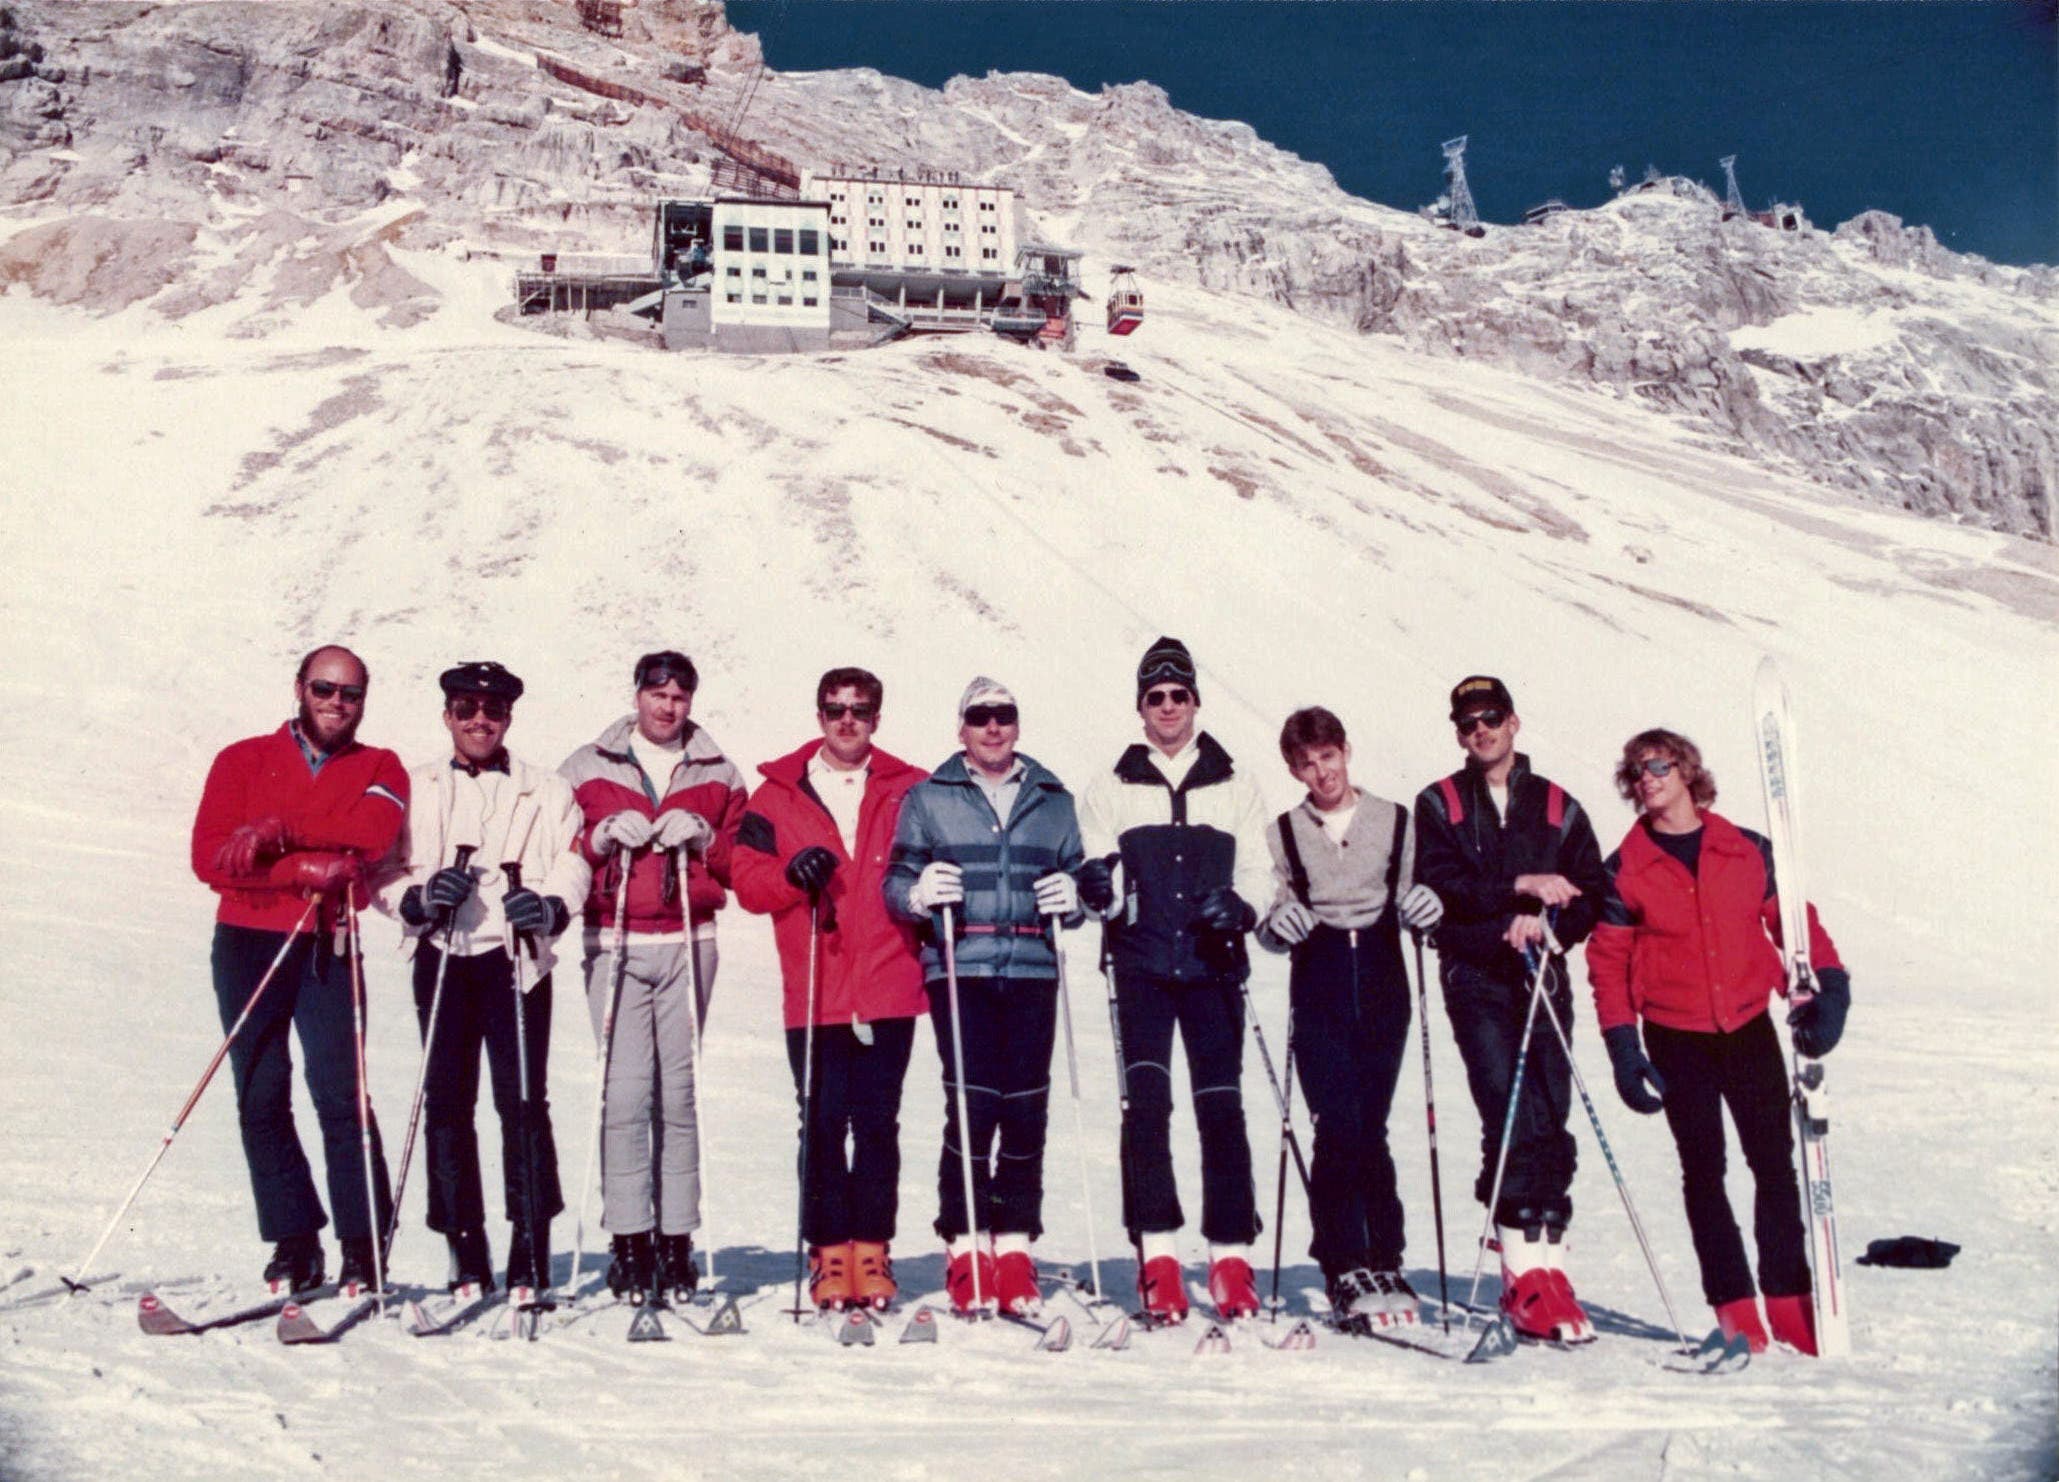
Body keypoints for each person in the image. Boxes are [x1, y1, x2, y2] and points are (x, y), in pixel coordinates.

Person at [1587, 728, 1850, 1356]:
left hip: (1747, 1028)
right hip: (1677, 1039)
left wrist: (1828, 989)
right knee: (1704, 1171)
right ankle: (1734, 1305)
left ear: (1686, 771)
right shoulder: (1625, 868)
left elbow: (1796, 926)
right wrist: (1625, 1048)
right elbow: (1607, 963)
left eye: (1658, 765)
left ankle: (1789, 1300)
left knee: (1774, 1167)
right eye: (1636, 771)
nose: (1646, 778)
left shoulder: (1747, 850)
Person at [189, 645, 408, 1294]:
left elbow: (366, 836)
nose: (337, 704)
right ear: (299, 688)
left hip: (325, 945)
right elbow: (209, 856)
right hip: (246, 940)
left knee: (341, 1095)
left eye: (351, 694)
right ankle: (294, 1242)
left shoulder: (381, 765)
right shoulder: (241, 759)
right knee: (260, 1094)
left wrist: (276, 828)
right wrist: (298, 867)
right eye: (324, 689)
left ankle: (365, 1248)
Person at [375, 662, 588, 1295]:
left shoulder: (547, 789)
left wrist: (549, 906)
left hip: (515, 961)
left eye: (492, 710)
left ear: (509, 718)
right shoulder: (416, 786)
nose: (479, 720)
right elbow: (384, 870)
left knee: (523, 1103)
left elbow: (572, 862)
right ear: (447, 715)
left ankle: (531, 1246)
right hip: (444, 953)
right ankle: (463, 1246)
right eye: (466, 707)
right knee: (446, 1102)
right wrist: (415, 897)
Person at [1078, 637, 1273, 1324]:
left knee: (1221, 1109)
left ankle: (1230, 1259)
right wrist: (1097, 887)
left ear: (1195, 701)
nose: (1167, 707)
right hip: (1141, 969)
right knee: (1148, 1107)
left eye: (1178, 695)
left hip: (1212, 965)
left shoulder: (1235, 782)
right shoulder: (1111, 786)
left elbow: (1257, 870)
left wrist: (1241, 908)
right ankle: (1156, 1254)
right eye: (1154, 696)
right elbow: (1098, 887)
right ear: (1140, 708)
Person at [1411, 675, 1608, 1343]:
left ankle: (1550, 1268)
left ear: (1513, 722)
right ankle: (1520, 1274)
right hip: (1475, 972)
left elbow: (1591, 889)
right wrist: (1519, 889)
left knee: (1550, 1108)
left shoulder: (1557, 803)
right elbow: (1440, 885)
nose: (1480, 731)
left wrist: (1555, 928)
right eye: (1466, 723)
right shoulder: (1438, 802)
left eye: (1490, 718)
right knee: (1506, 1104)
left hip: (1541, 973)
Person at [882, 678, 1086, 1315]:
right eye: (980, 718)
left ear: (1017, 725)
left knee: (1027, 1105)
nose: (993, 728)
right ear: (961, 728)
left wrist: (1074, 899)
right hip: (959, 964)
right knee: (971, 1104)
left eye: (1004, 716)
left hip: (1032, 967)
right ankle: (967, 1242)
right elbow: (896, 877)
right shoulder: (929, 797)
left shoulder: (1054, 800)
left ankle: (1016, 1243)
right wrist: (918, 893)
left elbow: (1080, 875)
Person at [731, 667, 927, 1312]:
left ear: (877, 717)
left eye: (860, 710)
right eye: (835, 709)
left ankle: (869, 1251)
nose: (848, 721)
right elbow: (749, 883)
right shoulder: (776, 795)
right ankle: (827, 1252)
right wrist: (792, 874)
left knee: (877, 1124)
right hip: (815, 984)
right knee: (819, 1121)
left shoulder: (911, 788)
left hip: (888, 983)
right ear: (819, 715)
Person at [559, 651, 747, 1304]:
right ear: (636, 695)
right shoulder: (587, 764)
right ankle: (629, 1240)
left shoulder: (718, 769)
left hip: (688, 938)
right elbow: (560, 849)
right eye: (657, 694)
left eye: (680, 696)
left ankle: (676, 1241)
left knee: (678, 1093)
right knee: (625, 1091)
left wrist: (703, 837)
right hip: (613, 937)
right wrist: (601, 836)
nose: (668, 707)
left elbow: (738, 860)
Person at [1255, 707, 1445, 1325]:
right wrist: (1274, 928)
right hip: (1321, 981)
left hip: (1385, 980)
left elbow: (1424, 889)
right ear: (1294, 769)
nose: (1321, 773)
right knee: (1335, 1126)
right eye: (1307, 764)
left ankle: (1385, 1255)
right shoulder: (1284, 831)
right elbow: (1273, 908)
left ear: (1345, 752)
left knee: (1372, 1125)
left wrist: (1428, 903)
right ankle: (1343, 1261)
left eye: (1328, 757)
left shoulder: (1395, 821)